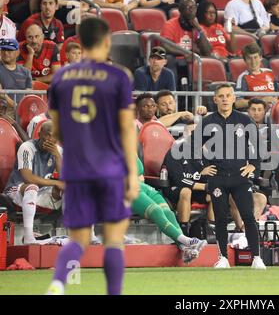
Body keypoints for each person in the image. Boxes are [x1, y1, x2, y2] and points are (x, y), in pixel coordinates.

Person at [46, 17, 140, 295]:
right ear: (108, 41)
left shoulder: (61, 77)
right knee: (113, 239)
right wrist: (132, 174)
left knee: (78, 238)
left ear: (79, 42)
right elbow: (126, 128)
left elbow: (57, 129)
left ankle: (57, 284)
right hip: (110, 169)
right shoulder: (119, 76)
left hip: (76, 170)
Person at [190, 83, 266, 270]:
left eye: (228, 95)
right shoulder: (207, 122)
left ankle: (257, 258)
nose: (224, 99)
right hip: (218, 178)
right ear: (215, 99)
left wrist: (253, 165)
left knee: (248, 216)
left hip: (240, 177)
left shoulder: (245, 120)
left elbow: (258, 145)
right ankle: (223, 257)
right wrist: (202, 168)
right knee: (221, 218)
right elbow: (192, 147)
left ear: (234, 99)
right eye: (221, 96)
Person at [133, 156, 207, 263]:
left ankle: (184, 248)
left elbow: (140, 174)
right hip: (127, 188)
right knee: (157, 211)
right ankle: (188, 241)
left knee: (168, 212)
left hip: (144, 187)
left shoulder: (130, 148)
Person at [3, 121, 63, 245]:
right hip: (17, 190)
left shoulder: (58, 151)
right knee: (32, 187)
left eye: (54, 136)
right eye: (48, 135)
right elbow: (28, 178)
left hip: (41, 192)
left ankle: (88, 236)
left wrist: (57, 157)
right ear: (40, 134)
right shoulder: (27, 147)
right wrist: (55, 183)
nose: (50, 139)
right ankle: (29, 237)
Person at [235, 43, 278, 109]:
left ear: (261, 57)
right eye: (249, 58)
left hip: (274, 110)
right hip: (257, 112)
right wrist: (262, 101)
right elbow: (238, 103)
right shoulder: (243, 77)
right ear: (245, 60)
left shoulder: (269, 72)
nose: (253, 62)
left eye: (255, 57)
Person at [0, 38, 32, 117]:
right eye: (3, 50)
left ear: (17, 52)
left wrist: (22, 107)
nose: (6, 53)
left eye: (9, 50)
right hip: (4, 110)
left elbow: (29, 92)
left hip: (22, 109)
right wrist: (15, 105)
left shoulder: (25, 72)